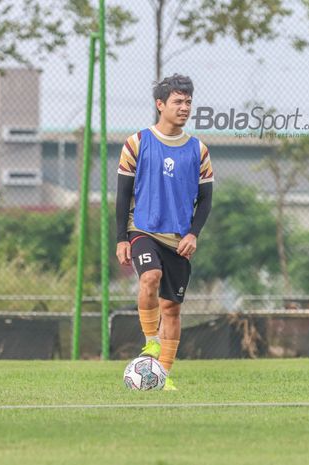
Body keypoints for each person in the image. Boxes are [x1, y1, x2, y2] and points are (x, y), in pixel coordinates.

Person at [115, 74, 213, 391]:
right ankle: (150, 343)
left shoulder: (198, 150)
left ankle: (163, 375)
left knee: (172, 309)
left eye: (188, 102)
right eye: (177, 102)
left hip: (179, 239)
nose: (184, 108)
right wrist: (121, 237)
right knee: (149, 277)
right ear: (160, 104)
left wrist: (193, 234)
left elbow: (207, 198)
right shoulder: (137, 143)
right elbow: (122, 194)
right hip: (142, 228)